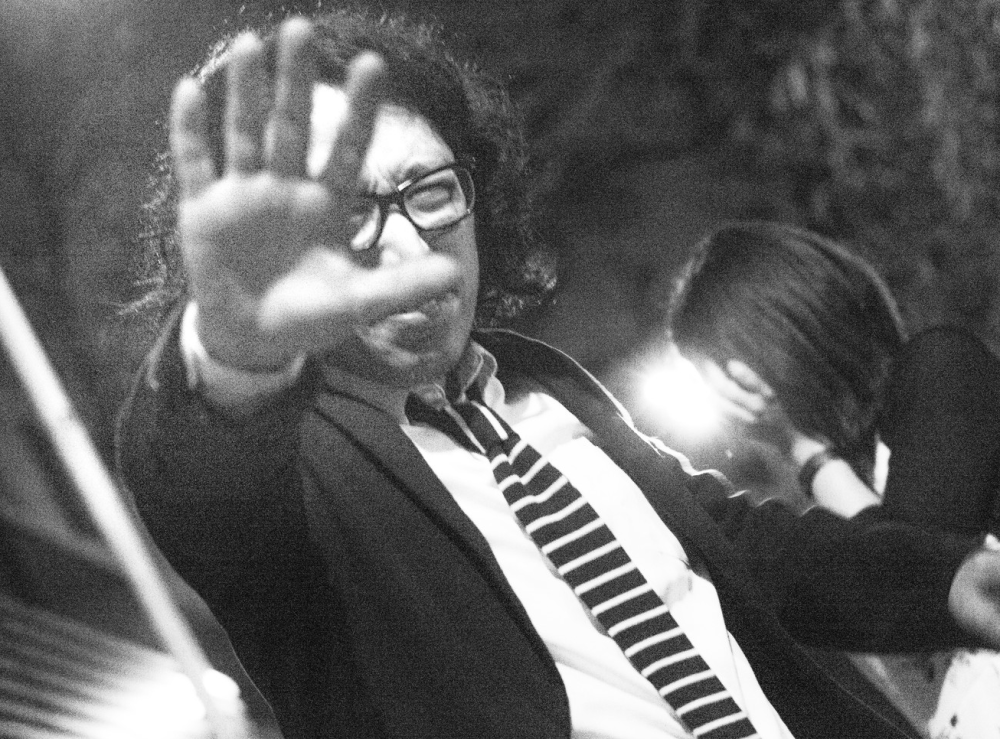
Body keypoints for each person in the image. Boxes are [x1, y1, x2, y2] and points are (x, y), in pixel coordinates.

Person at [117, 10, 1000, 739]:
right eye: (346, 213)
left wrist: (943, 581)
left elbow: (738, 545)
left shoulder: (544, 385)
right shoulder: (294, 481)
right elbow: (198, 483)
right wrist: (232, 353)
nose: (409, 243)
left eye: (431, 191)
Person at [666, 220, 1000, 737]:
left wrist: (805, 450)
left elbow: (914, 576)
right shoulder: (846, 479)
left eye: (714, 373)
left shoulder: (939, 367)